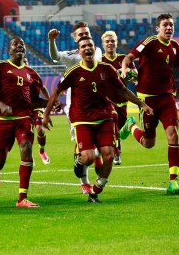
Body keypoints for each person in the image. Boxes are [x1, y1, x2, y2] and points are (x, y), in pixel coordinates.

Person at [44, 36, 153, 203]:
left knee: (108, 156)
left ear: (94, 50)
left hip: (104, 117)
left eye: (90, 46)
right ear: (79, 52)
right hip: (82, 119)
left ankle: (96, 190)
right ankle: (79, 162)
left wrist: (142, 104)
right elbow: (56, 92)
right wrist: (46, 114)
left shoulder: (106, 69)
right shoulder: (73, 72)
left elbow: (123, 90)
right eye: (83, 46)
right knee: (87, 158)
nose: (87, 49)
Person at [120, 13, 179, 195]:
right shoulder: (150, 42)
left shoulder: (175, 46)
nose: (169, 28)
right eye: (165, 25)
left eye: (171, 25)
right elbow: (128, 58)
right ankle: (130, 125)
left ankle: (173, 182)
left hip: (167, 97)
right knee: (148, 143)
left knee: (173, 135)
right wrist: (124, 70)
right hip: (147, 99)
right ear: (157, 28)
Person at [0, 36, 42, 208]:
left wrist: (50, 103)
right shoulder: (0, 66)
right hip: (2, 120)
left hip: (23, 118)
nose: (19, 46)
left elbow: (34, 101)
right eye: (15, 44)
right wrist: (2, 106)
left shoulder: (31, 73)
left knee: (26, 148)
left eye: (22, 45)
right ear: (9, 50)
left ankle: (22, 198)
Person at [47, 21, 103, 194]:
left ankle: (95, 160)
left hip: (98, 105)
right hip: (77, 108)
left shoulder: (97, 51)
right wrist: (51, 41)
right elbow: (55, 56)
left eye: (86, 33)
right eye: (81, 35)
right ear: (75, 38)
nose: (84, 36)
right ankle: (84, 181)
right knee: (83, 146)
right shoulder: (73, 56)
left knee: (99, 146)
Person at [100, 30, 137, 165]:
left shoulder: (124, 59)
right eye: (107, 41)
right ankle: (116, 153)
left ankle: (126, 127)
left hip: (122, 101)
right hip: (105, 101)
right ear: (103, 44)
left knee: (119, 130)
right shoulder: (100, 61)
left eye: (112, 41)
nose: (110, 43)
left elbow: (135, 76)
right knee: (111, 126)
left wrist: (128, 73)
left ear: (116, 43)